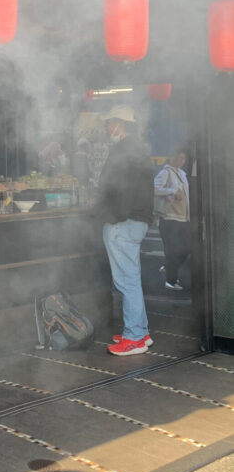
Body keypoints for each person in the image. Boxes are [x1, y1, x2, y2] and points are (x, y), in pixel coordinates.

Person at [97, 105, 154, 356]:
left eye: (110, 123)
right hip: (137, 221)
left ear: (120, 123)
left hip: (123, 222)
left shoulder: (123, 149)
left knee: (126, 281)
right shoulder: (140, 149)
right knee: (132, 279)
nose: (107, 127)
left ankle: (133, 338)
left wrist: (112, 217)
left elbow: (120, 189)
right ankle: (140, 331)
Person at [154, 148, 190, 291]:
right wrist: (173, 191)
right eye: (178, 157)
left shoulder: (182, 174)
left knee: (187, 248)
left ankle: (169, 267)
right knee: (172, 250)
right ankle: (171, 281)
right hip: (169, 218)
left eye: (183, 158)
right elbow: (154, 188)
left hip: (183, 218)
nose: (181, 161)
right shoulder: (166, 172)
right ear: (172, 157)